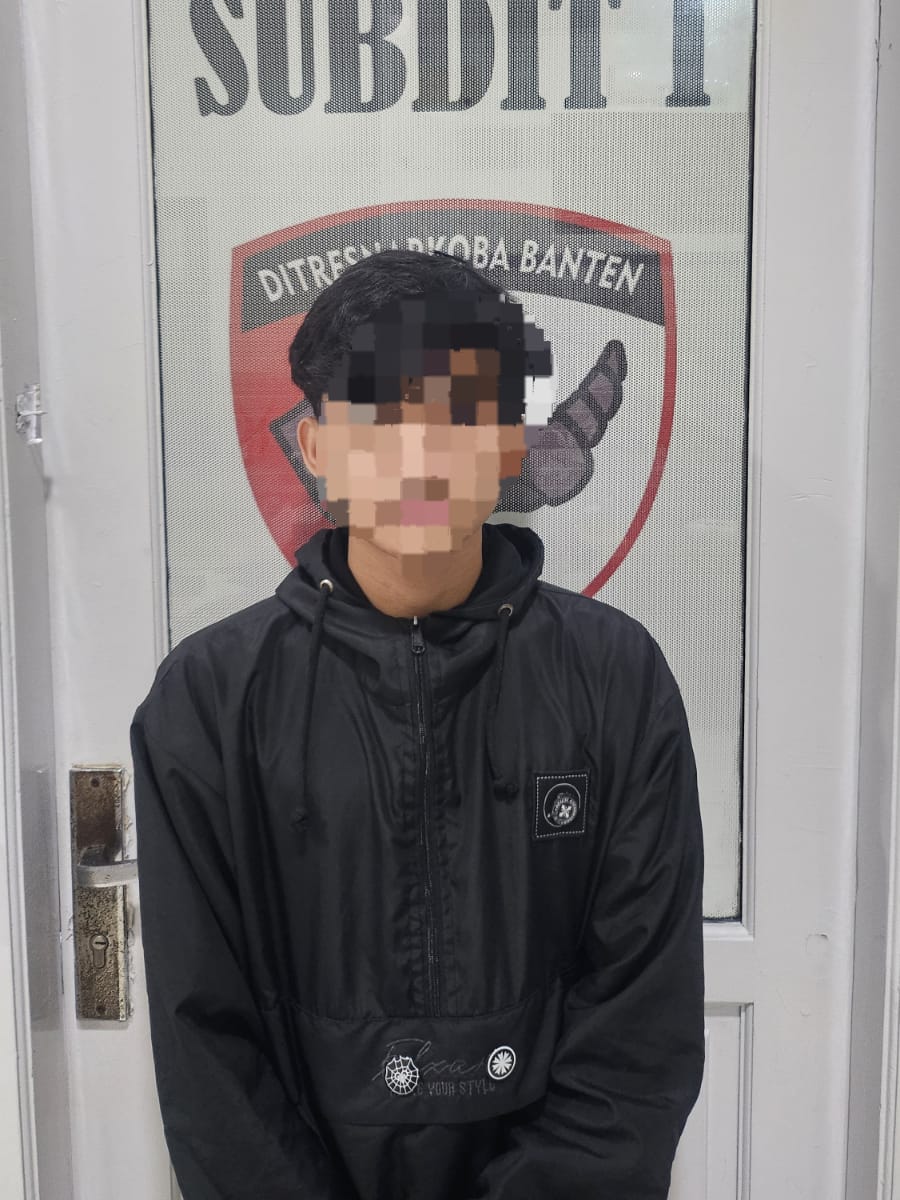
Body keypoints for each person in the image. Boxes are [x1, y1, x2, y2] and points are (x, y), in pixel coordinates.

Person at [130, 246, 705, 1200]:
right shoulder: (209, 703)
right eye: (378, 415)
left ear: (511, 441)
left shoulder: (616, 679)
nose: (419, 453)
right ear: (317, 448)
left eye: (458, 414)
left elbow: (640, 1029)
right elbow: (207, 1050)